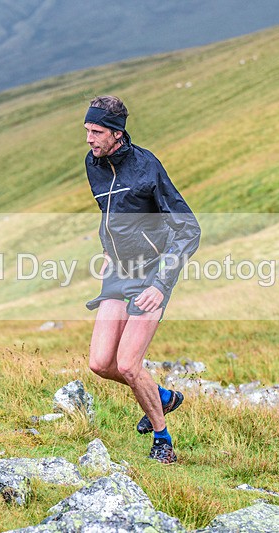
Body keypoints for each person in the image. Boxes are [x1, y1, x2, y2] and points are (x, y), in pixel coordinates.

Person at [83, 95, 200, 464]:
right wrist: (107, 249)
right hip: (119, 271)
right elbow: (110, 213)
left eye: (97, 131)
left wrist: (160, 284)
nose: (89, 139)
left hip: (152, 273)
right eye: (86, 130)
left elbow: (188, 228)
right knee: (102, 364)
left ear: (117, 133)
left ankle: (163, 439)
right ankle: (163, 395)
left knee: (130, 365)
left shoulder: (147, 167)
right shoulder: (93, 164)